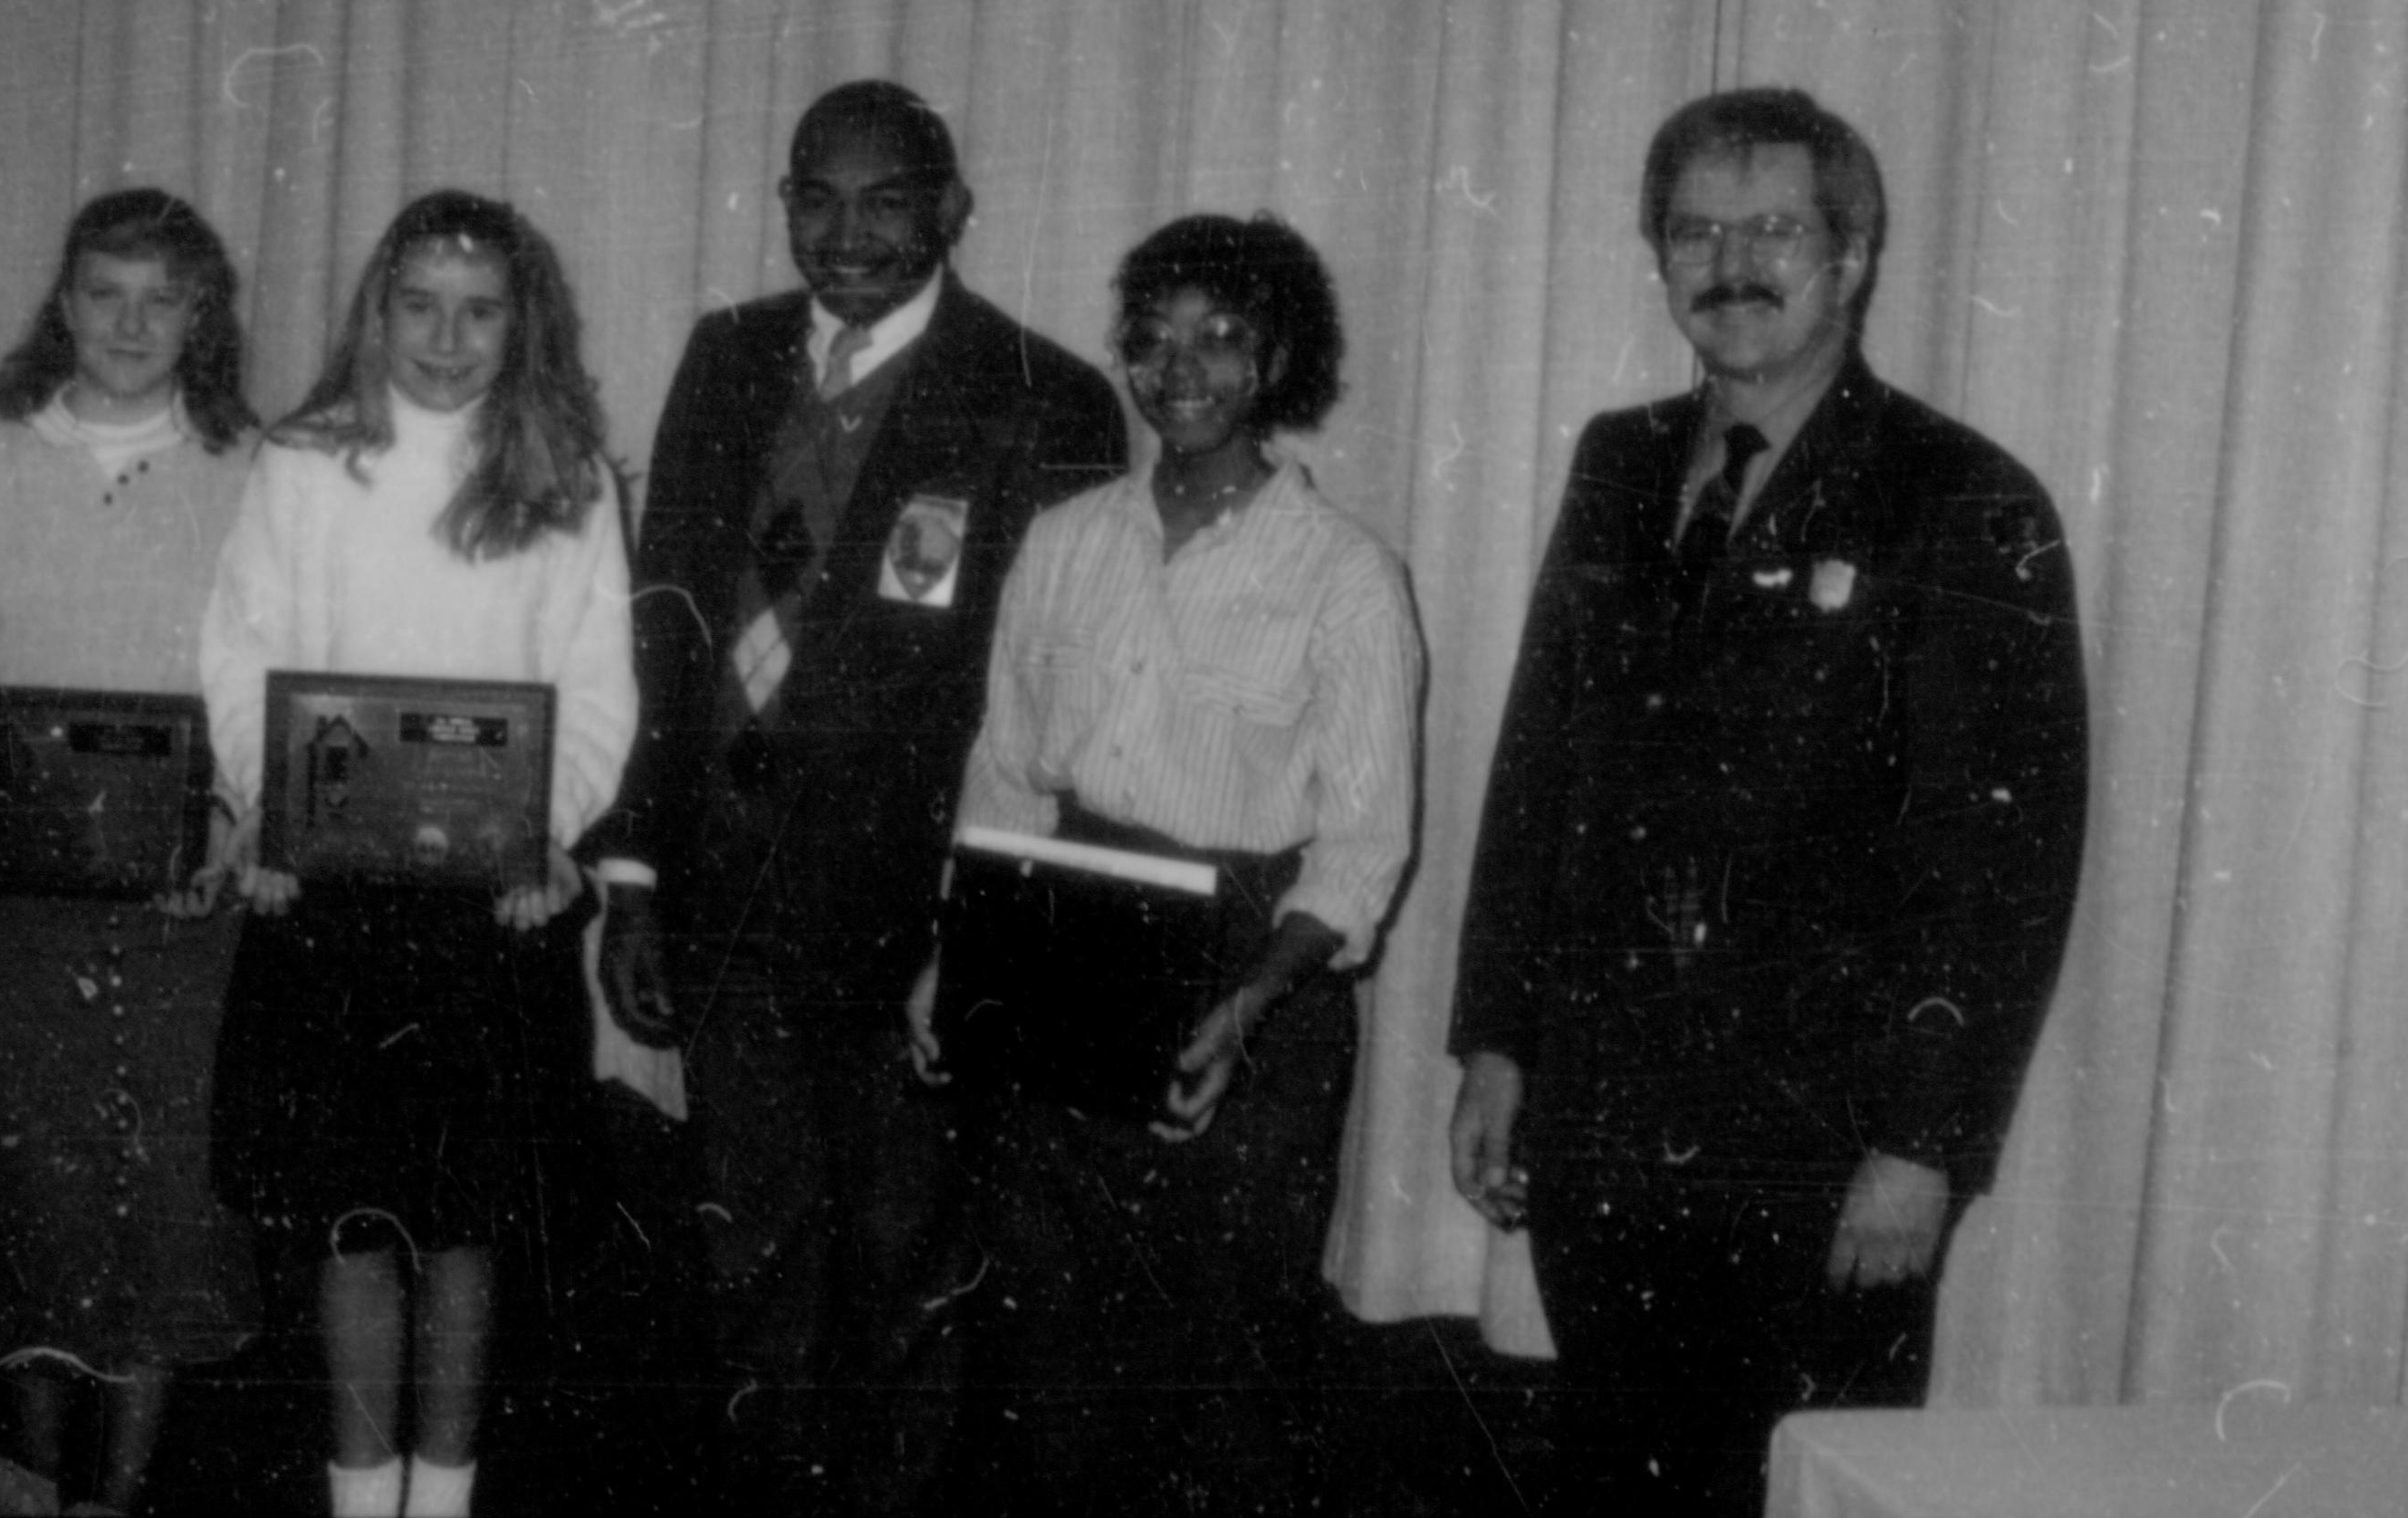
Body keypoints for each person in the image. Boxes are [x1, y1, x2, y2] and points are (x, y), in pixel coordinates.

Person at [1445, 88, 2091, 1516]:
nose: (1730, 262)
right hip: (1607, 1121)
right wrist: (1497, 1036)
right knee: (1618, 1481)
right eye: (1695, 229)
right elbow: (1539, 768)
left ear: (1853, 254)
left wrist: (1925, 1145)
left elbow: (1997, 868)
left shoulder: (1963, 498)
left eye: (1776, 228)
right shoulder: (1618, 463)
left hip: (1822, 1154)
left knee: (1791, 1491)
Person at [587, 80, 1127, 1513]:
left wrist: (990, 925)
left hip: (916, 926)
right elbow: (664, 628)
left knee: (911, 1268)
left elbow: (1052, 698)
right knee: (747, 1255)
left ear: (953, 208)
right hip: (726, 903)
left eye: (888, 199)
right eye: (814, 196)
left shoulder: (1044, 393)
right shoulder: (726, 354)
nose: (847, 232)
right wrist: (633, 875)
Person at [930, 213, 1423, 1515]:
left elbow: (1365, 851)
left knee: (1224, 1375)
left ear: (1277, 361)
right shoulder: (1065, 540)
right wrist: (957, 967)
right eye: (1152, 341)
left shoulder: (1349, 576)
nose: (1179, 368)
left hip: (1256, 965)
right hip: (1069, 939)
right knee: (1051, 1352)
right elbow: (1008, 773)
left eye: (1219, 338)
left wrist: (1253, 1005)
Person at [198, 190, 634, 1518]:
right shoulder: (302, 459)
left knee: (464, 1230)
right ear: (376, 308)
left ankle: (439, 1501)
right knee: (346, 1224)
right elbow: (239, 652)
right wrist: (267, 806)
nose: (447, 338)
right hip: (322, 893)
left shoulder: (568, 472)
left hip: (488, 908)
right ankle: (357, 1499)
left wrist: (542, 833)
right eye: (420, 306)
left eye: (480, 312)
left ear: (523, 322)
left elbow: (599, 686)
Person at [0, 187, 262, 1513]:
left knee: (160, 1206)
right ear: (63, 305)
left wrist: (239, 828)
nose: (131, 323)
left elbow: (282, 689)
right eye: (103, 293)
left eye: (161, 297)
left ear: (202, 316)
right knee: (29, 1207)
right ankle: (31, 1492)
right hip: (11, 915)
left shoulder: (254, 476)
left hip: (183, 916)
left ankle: (117, 1502)